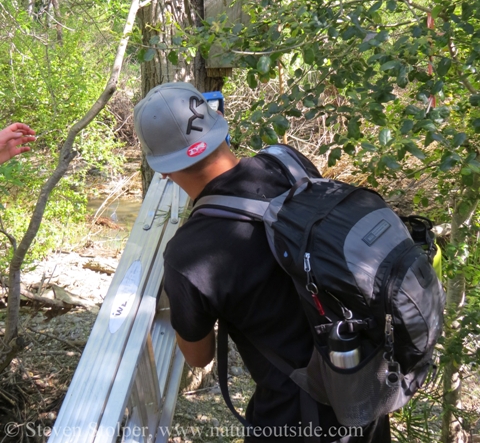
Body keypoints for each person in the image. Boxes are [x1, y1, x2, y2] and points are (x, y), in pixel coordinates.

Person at [134, 82, 391, 443]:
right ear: (219, 123)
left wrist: (187, 299)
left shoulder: (188, 256)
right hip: (364, 387)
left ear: (162, 170)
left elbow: (198, 356)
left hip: (296, 418)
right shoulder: (287, 163)